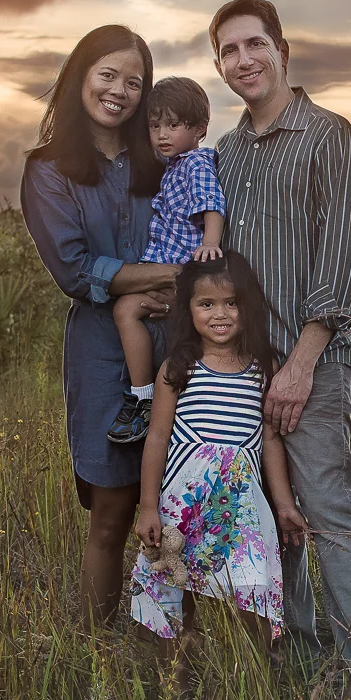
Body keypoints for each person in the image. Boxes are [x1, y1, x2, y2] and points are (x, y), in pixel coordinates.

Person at [209, 0, 351, 672]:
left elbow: (342, 264)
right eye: (228, 49)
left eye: (254, 44)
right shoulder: (228, 152)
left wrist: (301, 364)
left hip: (309, 366)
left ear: (282, 52)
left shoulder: (330, 138)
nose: (243, 59)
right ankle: (299, 666)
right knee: (268, 523)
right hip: (241, 371)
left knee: (330, 516)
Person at [20, 25, 181, 624]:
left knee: (183, 502)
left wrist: (184, 287)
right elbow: (76, 270)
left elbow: (200, 228)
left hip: (180, 347)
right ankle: (95, 653)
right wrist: (170, 272)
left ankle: (174, 650)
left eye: (134, 81)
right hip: (102, 357)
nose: (120, 91)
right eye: (108, 75)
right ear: (79, 78)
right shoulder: (49, 170)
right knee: (111, 513)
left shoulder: (163, 161)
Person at [129, 253, 308, 650]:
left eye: (232, 302)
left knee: (250, 590)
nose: (220, 314)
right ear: (188, 309)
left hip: (240, 504)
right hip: (184, 502)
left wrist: (282, 505)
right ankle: (172, 687)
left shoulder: (263, 366)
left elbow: (270, 440)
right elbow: (157, 437)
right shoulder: (179, 366)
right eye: (206, 304)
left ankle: (252, 678)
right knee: (170, 590)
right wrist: (147, 506)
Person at [107, 76, 226, 446]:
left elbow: (212, 205)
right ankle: (143, 397)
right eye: (155, 125)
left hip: (180, 272)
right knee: (128, 312)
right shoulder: (172, 166)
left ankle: (157, 402)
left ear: (200, 129)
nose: (162, 134)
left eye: (173, 125)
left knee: (149, 323)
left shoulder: (196, 164)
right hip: (161, 272)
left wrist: (209, 244)